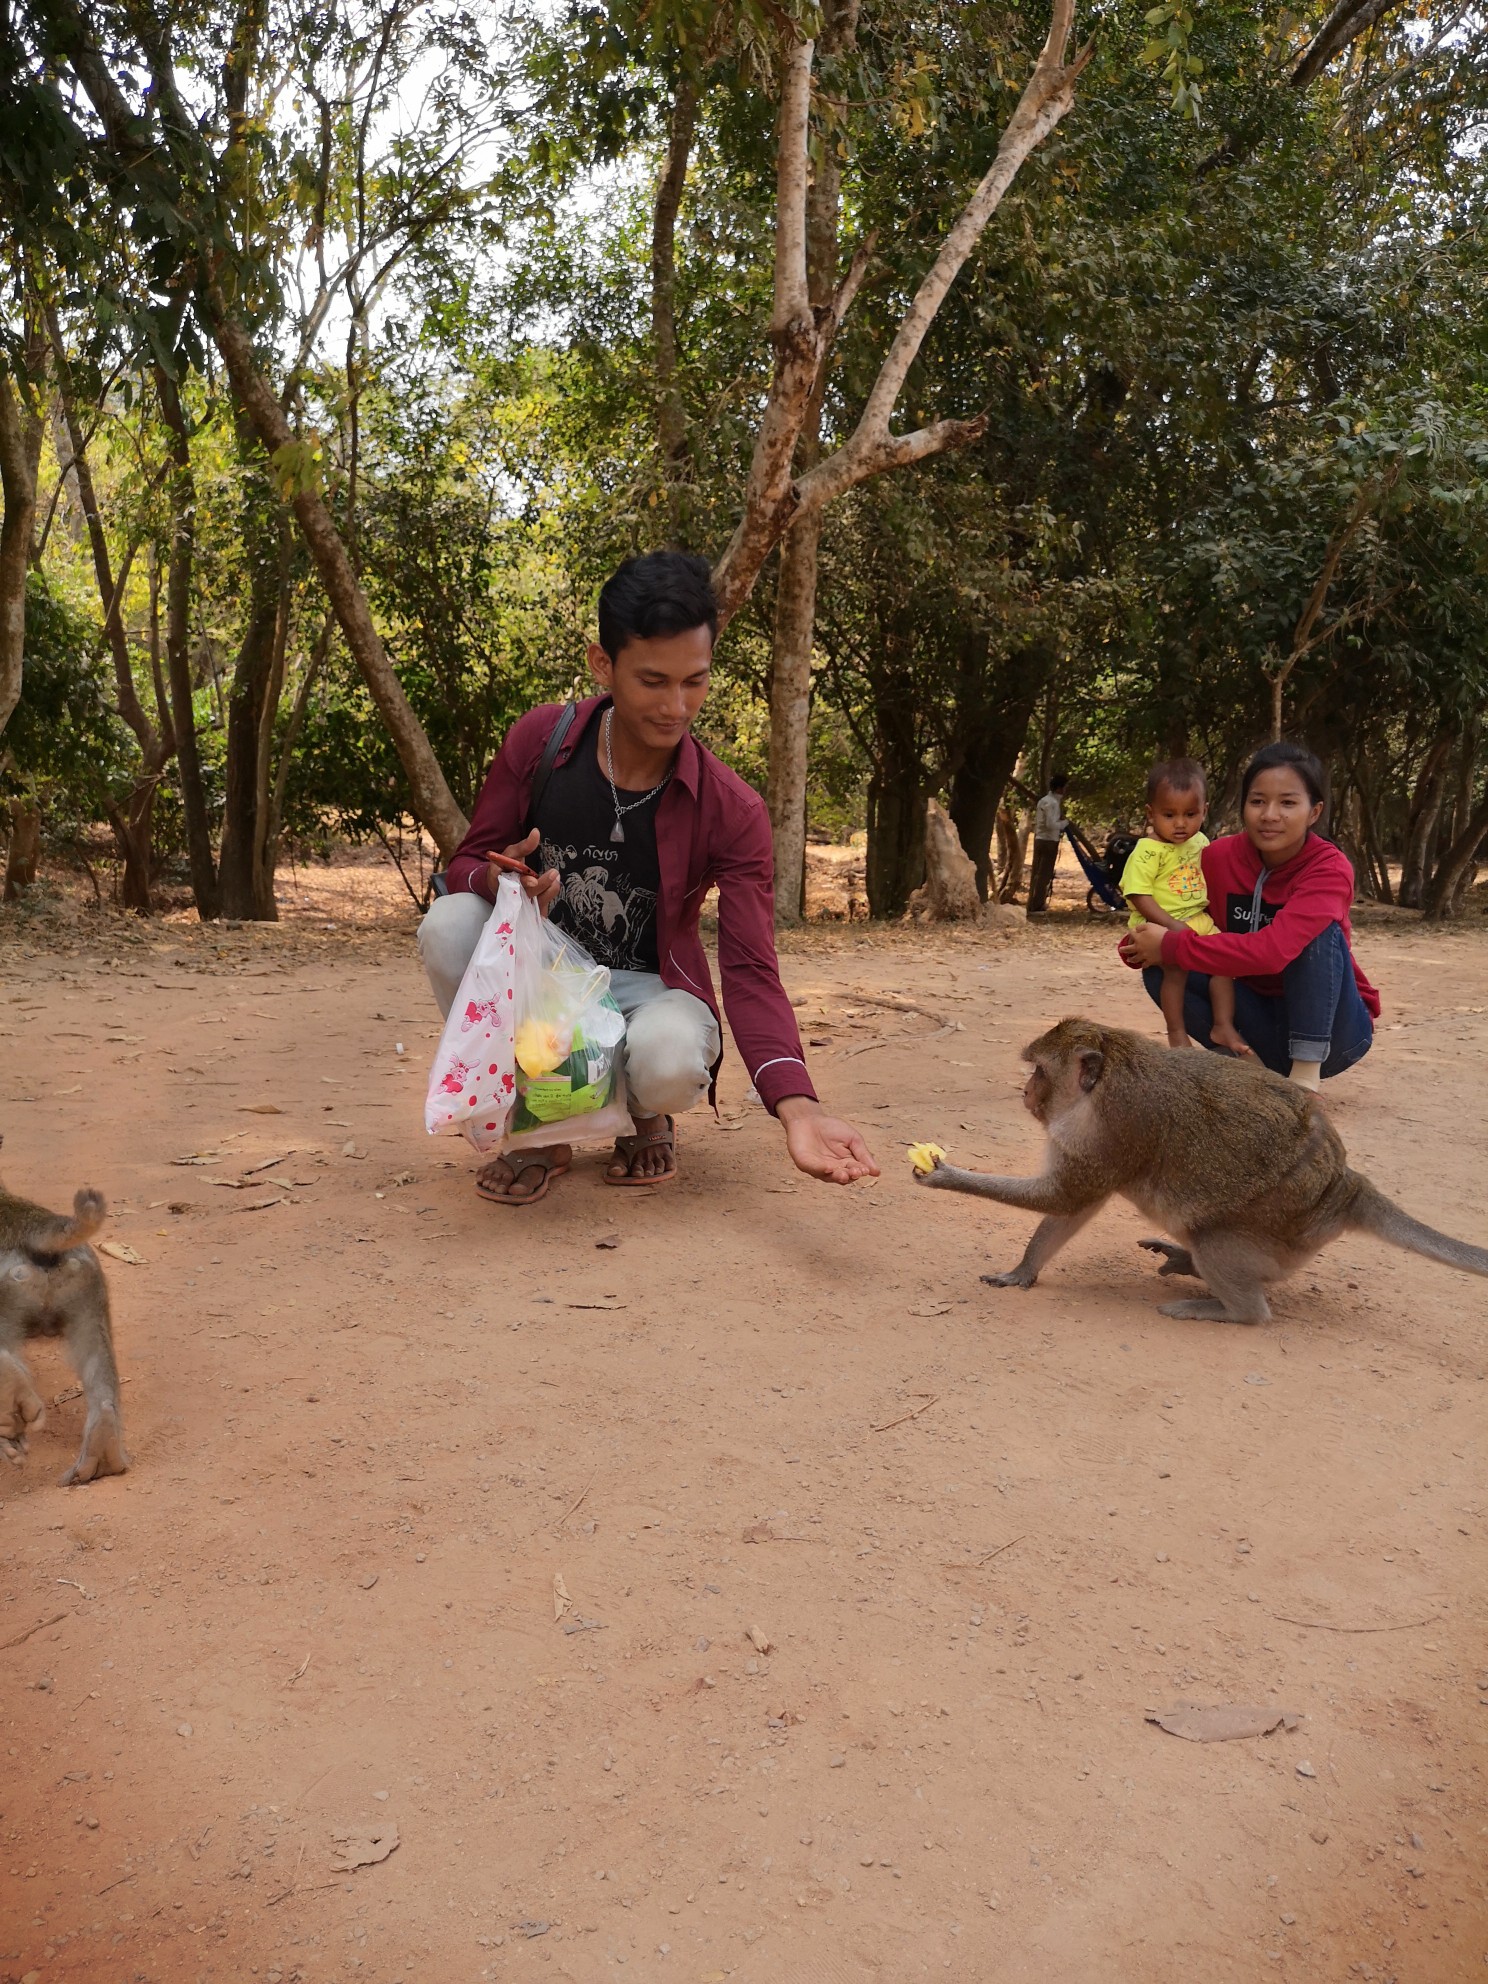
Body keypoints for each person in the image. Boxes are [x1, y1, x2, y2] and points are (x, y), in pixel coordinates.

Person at [417, 550, 880, 1203]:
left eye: (696, 681)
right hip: (544, 979)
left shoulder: (732, 809)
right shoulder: (541, 742)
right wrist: (501, 884)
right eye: (654, 681)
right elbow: (468, 861)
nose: (676, 706)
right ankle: (537, 1127)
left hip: (650, 991)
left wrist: (798, 1109)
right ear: (602, 664)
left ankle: (643, 1113)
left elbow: (751, 969)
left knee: (668, 1057)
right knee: (448, 924)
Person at [1118, 741, 1378, 1089]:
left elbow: (1272, 952)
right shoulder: (1215, 857)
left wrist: (1171, 944)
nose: (1270, 814)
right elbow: (1184, 914)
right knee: (1161, 970)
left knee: (1319, 932)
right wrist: (1140, 943)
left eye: (1287, 802)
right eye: (1257, 801)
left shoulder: (1328, 868)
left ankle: (1304, 1079)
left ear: (1314, 812)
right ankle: (1240, 1062)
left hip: (1335, 1031)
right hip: (1255, 1016)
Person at [1119, 757, 1240, 1052]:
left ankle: (1223, 1025)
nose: (1181, 824)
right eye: (1169, 815)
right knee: (1176, 972)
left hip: (1197, 920)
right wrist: (1171, 926)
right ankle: (1176, 1034)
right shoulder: (1148, 851)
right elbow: (1138, 894)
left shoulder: (1200, 842)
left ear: (1204, 811)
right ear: (1151, 814)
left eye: (1190, 814)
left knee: (1225, 963)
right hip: (1160, 924)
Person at [1026, 772, 1069, 915]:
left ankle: (1033, 902)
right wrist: (1064, 823)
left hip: (1040, 838)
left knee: (1037, 873)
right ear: (1059, 789)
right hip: (1049, 841)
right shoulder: (1053, 803)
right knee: (1044, 874)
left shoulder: (1044, 800)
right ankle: (1036, 905)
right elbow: (1051, 824)